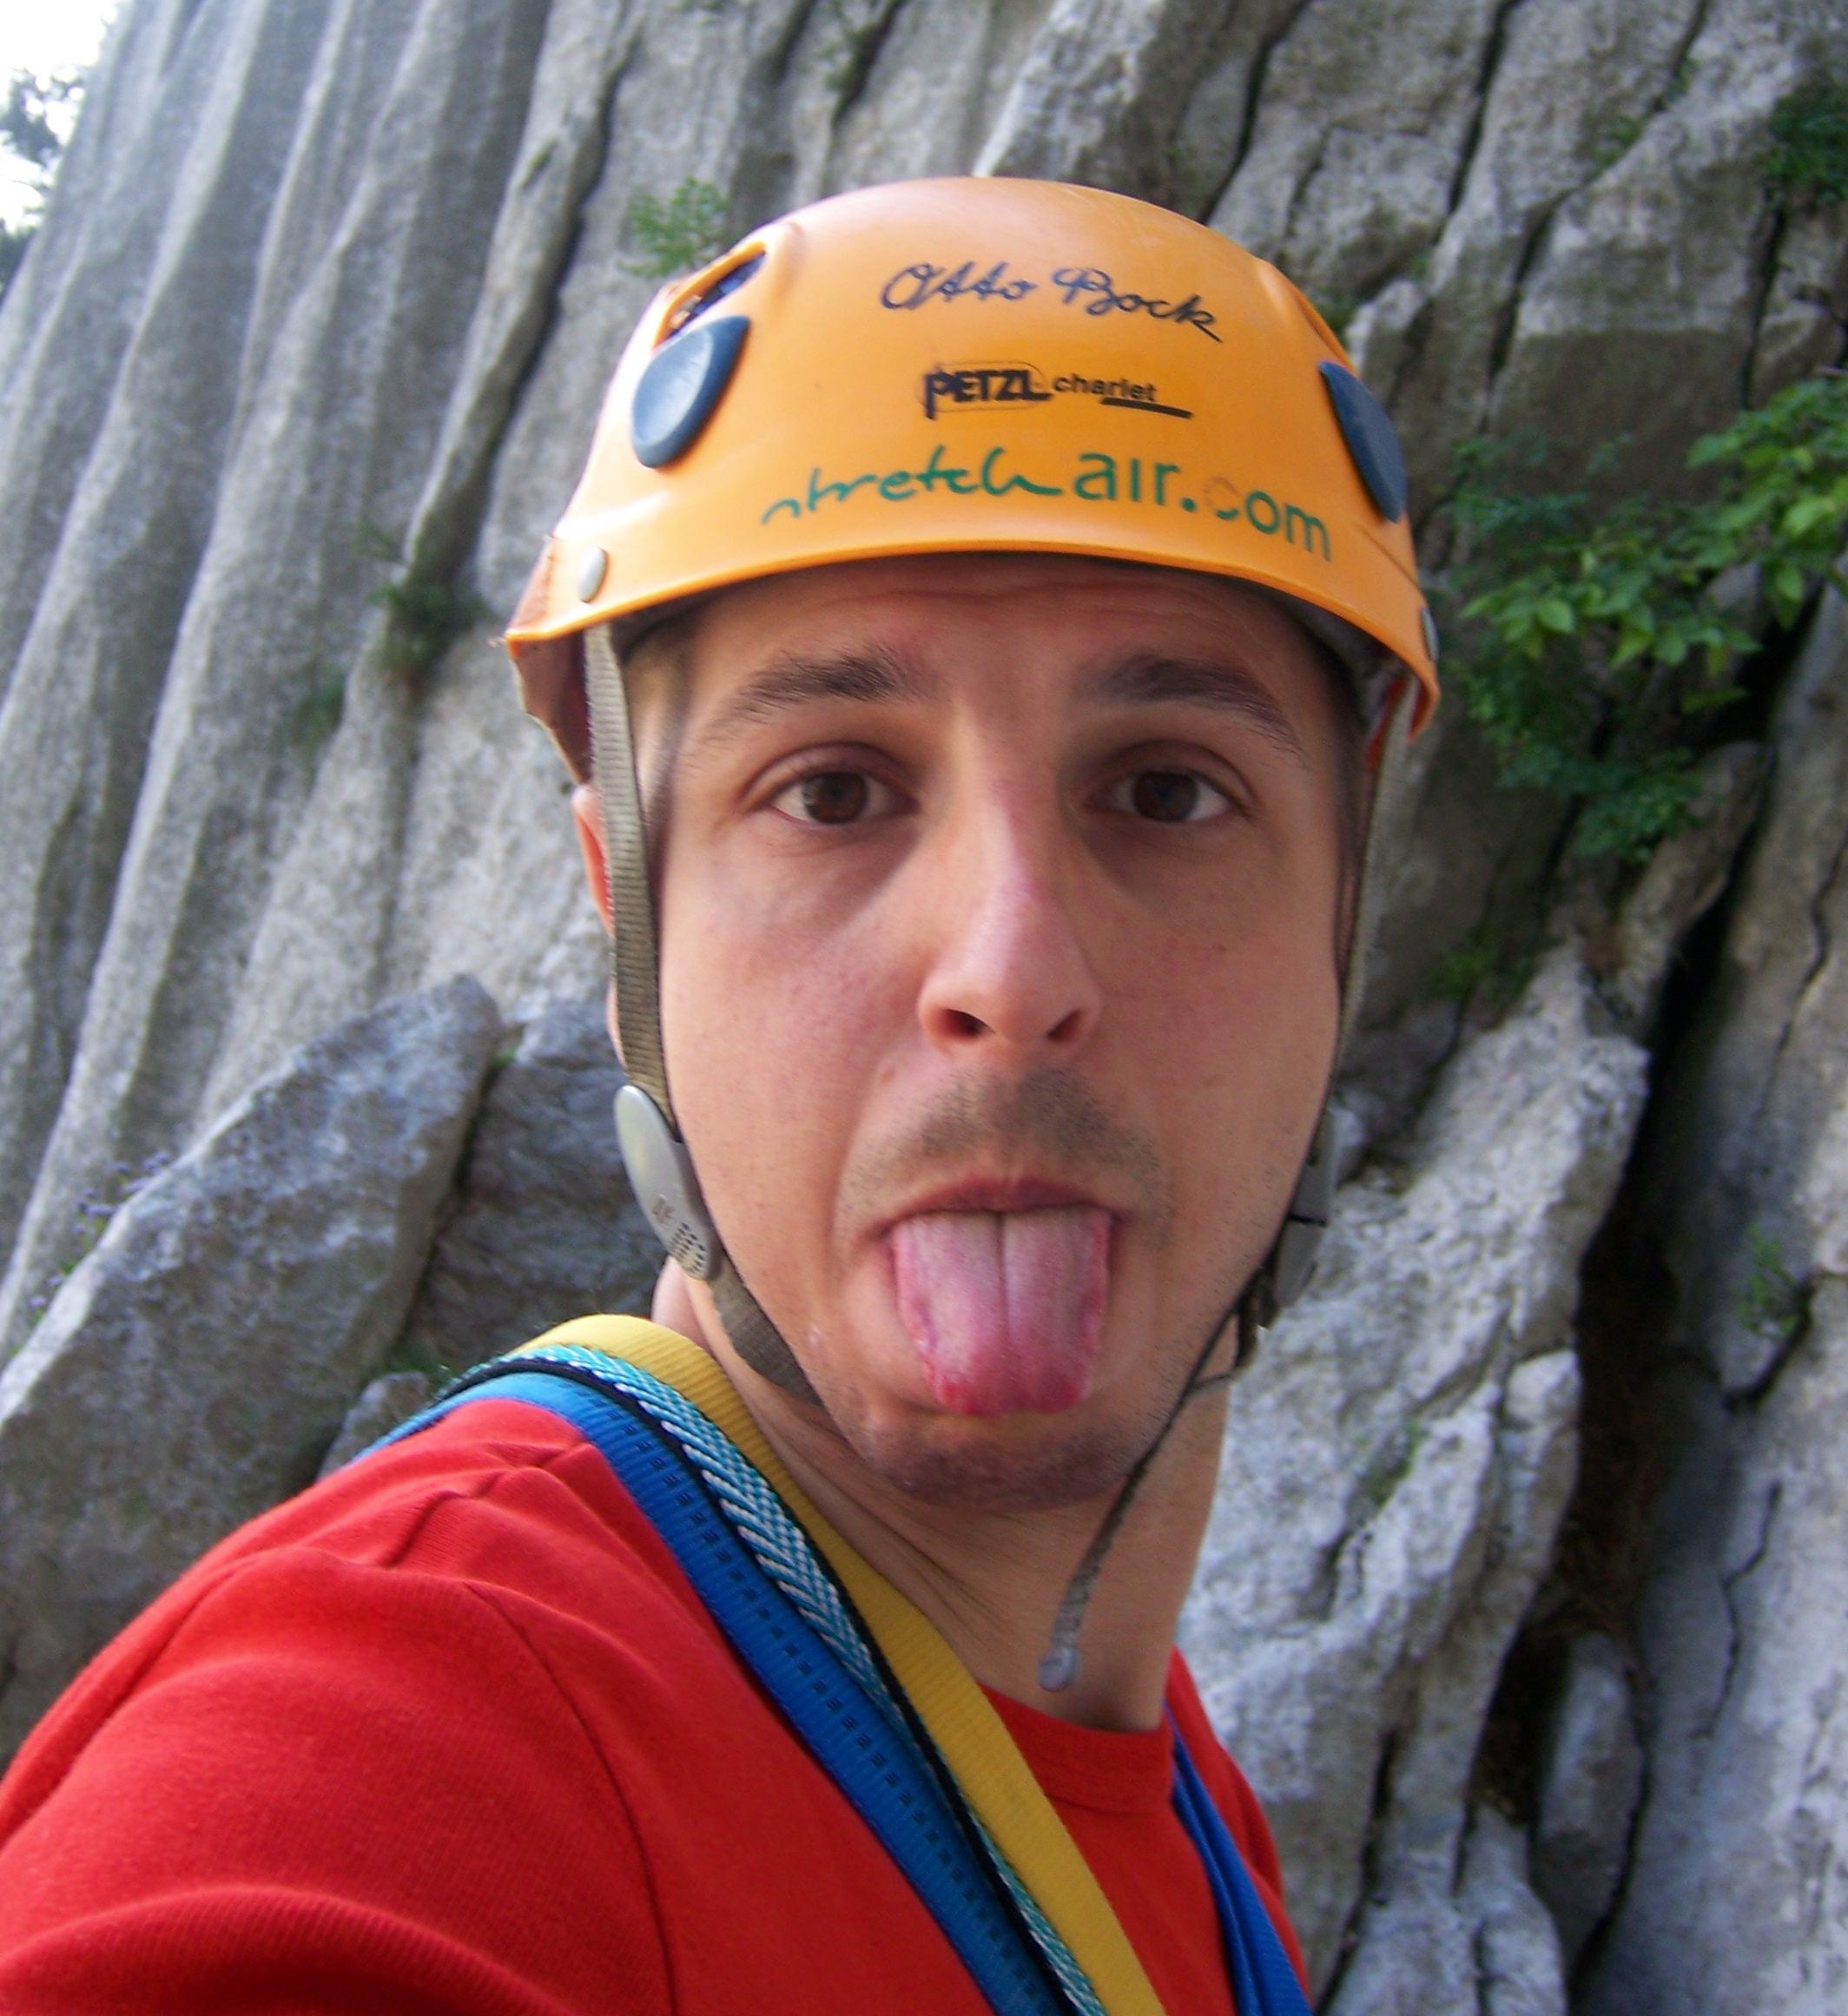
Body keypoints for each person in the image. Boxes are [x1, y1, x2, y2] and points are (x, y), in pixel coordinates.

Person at [0, 178, 1436, 2013]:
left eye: (1168, 790)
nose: (1009, 972)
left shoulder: (1172, 1796)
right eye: (831, 792)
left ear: (1340, 916)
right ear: (630, 917)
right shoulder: (401, 1745)